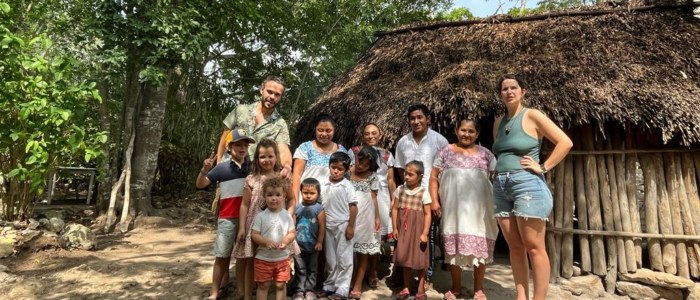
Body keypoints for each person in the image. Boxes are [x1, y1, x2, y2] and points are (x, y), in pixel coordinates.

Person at [492, 74, 572, 300]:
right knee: (515, 247)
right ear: (500, 94)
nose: (509, 92)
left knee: (534, 247)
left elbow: (565, 142)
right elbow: (500, 151)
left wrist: (543, 167)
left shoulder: (532, 115)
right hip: (501, 185)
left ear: (522, 91)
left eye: (513, 88)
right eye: (504, 89)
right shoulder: (499, 121)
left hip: (527, 183)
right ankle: (521, 297)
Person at [429, 119, 499, 300]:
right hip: (453, 209)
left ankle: (478, 289)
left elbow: (496, 180)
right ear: (456, 130)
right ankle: (456, 287)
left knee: (480, 249)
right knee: (453, 250)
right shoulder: (445, 152)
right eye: (463, 130)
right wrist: (435, 201)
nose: (466, 134)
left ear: (477, 134)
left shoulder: (487, 155)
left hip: (480, 211)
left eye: (470, 131)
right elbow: (433, 177)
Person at [195, 128, 254, 300]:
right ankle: (214, 292)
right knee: (222, 255)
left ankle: (242, 291)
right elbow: (201, 184)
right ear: (229, 147)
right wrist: (204, 170)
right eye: (238, 145)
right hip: (227, 218)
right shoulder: (221, 169)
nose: (242, 148)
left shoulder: (252, 168)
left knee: (243, 255)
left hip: (247, 218)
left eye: (245, 145)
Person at [393, 104, 448, 285]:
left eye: (420, 118)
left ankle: (426, 275)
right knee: (403, 234)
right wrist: (410, 187)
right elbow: (401, 169)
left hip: (429, 197)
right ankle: (402, 271)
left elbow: (444, 170)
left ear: (428, 119)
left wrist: (436, 199)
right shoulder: (403, 142)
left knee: (428, 236)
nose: (416, 121)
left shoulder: (439, 141)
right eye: (412, 118)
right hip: (408, 196)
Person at [234, 139, 294, 300]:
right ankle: (247, 296)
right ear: (256, 159)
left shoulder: (283, 177)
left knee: (278, 257)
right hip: (254, 223)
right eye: (262, 157)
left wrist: (287, 216)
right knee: (251, 261)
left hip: (279, 224)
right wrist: (241, 227)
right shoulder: (252, 178)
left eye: (270, 156)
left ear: (276, 157)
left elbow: (292, 199)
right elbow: (244, 205)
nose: (266, 160)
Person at [349, 123, 397, 288]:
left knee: (375, 237)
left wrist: (393, 199)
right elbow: (350, 174)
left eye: (374, 133)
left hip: (380, 197)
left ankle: (373, 271)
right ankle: (354, 273)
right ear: (363, 136)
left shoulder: (387, 155)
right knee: (356, 235)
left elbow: (390, 179)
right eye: (367, 134)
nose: (370, 136)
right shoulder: (354, 152)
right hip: (358, 196)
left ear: (380, 135)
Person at [217, 76, 292, 178]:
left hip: (253, 177)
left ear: (280, 97)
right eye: (269, 92)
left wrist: (287, 167)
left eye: (277, 95)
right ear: (261, 90)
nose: (272, 97)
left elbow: (283, 150)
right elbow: (224, 138)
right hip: (228, 171)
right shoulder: (240, 110)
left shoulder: (280, 124)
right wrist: (218, 165)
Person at [318, 152, 357, 300]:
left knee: (344, 259)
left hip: (343, 225)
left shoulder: (347, 185)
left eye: (339, 169)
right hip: (327, 226)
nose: (335, 171)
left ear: (346, 170)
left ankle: (342, 289)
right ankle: (329, 286)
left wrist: (350, 227)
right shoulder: (323, 183)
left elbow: (353, 207)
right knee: (330, 259)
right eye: (333, 167)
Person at [251, 177, 297, 300]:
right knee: (263, 285)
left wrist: (286, 241)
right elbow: (254, 235)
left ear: (284, 196)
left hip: (282, 259)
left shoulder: (287, 215)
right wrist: (265, 241)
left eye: (278, 195)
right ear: (264, 196)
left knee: (281, 285)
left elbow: (292, 232)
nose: (274, 198)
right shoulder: (260, 216)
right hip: (263, 258)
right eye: (270, 195)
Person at [391, 161, 431, 300]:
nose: (406, 176)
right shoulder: (400, 189)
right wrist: (395, 227)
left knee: (420, 258)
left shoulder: (423, 192)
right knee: (405, 258)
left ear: (420, 176)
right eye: (405, 173)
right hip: (404, 230)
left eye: (410, 174)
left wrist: (425, 233)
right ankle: (406, 287)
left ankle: (420, 288)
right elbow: (395, 209)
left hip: (418, 230)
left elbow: (427, 214)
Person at [292, 114, 348, 203]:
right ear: (315, 130)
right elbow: (296, 175)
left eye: (328, 130)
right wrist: (294, 201)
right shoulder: (305, 148)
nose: (324, 134)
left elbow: (345, 177)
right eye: (320, 130)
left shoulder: (341, 151)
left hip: (331, 203)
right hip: (306, 202)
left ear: (334, 130)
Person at [348, 147, 381, 299]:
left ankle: (358, 283)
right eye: (360, 162)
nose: (361, 166)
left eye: (366, 165)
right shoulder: (348, 173)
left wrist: (377, 217)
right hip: (347, 217)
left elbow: (374, 197)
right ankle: (348, 279)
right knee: (347, 251)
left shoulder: (372, 176)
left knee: (363, 251)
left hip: (366, 217)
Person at [292, 178, 326, 300]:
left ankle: (310, 289)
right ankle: (299, 290)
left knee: (312, 269)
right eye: (305, 193)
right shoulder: (297, 208)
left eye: (312, 193)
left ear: (318, 193)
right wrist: (292, 241)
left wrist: (320, 242)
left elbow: (322, 226)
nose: (308, 196)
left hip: (313, 246)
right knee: (299, 268)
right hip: (298, 246)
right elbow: (293, 226)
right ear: (301, 192)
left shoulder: (319, 209)